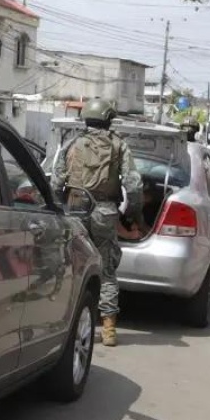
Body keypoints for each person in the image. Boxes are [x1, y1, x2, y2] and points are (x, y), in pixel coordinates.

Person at [51, 98, 141, 347]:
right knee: (107, 268)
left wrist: (59, 208)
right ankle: (109, 329)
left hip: (75, 209)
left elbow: (56, 183)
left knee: (71, 267)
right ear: (108, 119)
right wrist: (133, 212)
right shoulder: (118, 145)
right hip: (104, 211)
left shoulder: (72, 143)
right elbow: (134, 183)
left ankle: (62, 324)